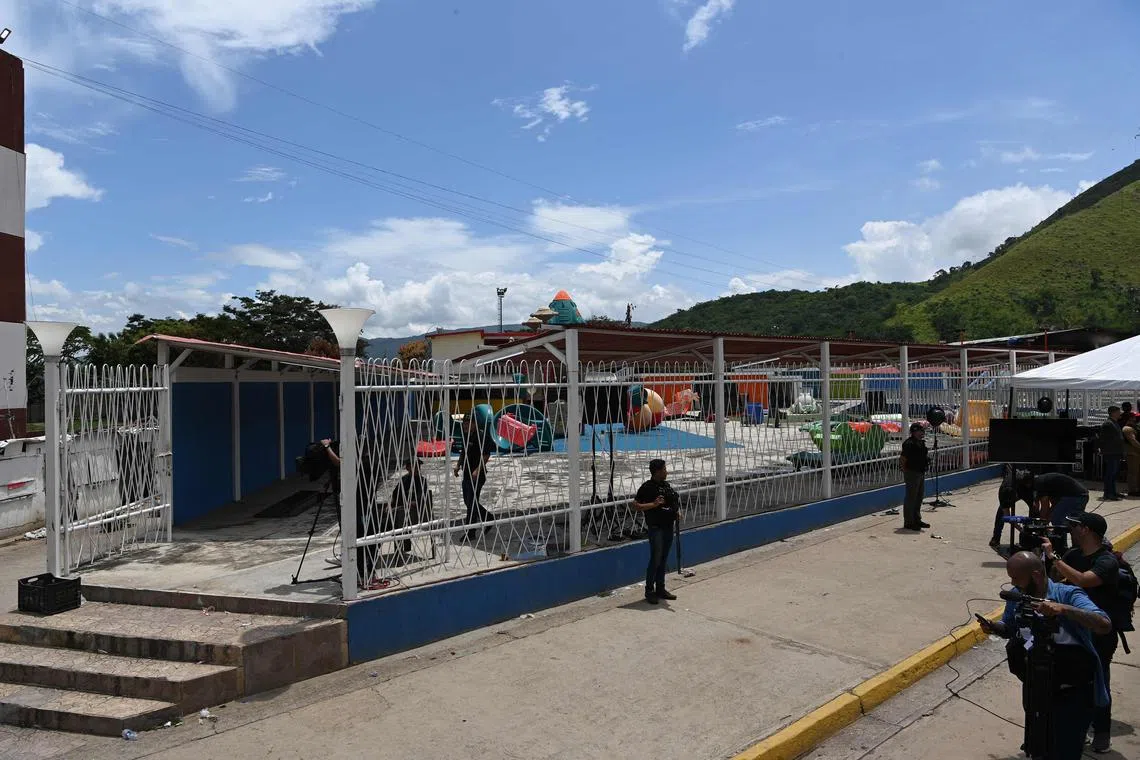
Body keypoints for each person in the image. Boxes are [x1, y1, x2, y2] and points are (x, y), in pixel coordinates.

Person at [979, 551, 1111, 759]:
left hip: (1071, 691)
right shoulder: (1019, 595)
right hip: (1036, 685)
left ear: (1036, 575)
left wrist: (1064, 610)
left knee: (1065, 750)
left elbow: (1104, 624)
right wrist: (995, 627)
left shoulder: (1068, 594)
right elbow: (1011, 627)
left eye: (1016, 578)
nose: (1013, 583)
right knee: (1038, 746)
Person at [1044, 513, 1120, 753]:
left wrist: (1053, 557)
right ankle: (1080, 726)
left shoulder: (1106, 561)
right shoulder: (1074, 555)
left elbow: (1084, 580)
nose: (1071, 530)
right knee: (1075, 682)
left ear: (1086, 530)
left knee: (1099, 680)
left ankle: (1102, 732)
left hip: (1100, 631)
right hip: (1074, 631)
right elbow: (1055, 580)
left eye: (1074, 526)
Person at [633, 459, 682, 604]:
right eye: (664, 469)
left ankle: (660, 588)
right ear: (658, 471)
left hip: (668, 526)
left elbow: (671, 502)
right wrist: (653, 504)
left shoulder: (666, 486)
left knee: (663, 559)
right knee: (655, 559)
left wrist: (676, 512)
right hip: (656, 528)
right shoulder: (647, 487)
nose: (667, 471)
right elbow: (635, 505)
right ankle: (649, 590)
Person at [1020, 471, 1088, 554]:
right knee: (1073, 523)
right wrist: (1046, 520)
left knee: (1059, 521)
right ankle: (1076, 549)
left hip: (1074, 496)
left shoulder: (1039, 484)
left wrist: (1041, 524)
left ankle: (1062, 548)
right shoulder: (1046, 483)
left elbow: (1045, 507)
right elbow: (1054, 506)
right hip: (1081, 495)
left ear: (1028, 484)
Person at [454, 413, 493, 539]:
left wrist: (477, 470)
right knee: (468, 501)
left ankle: (470, 532)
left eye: (468, 423)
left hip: (477, 475)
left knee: (471, 503)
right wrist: (458, 465)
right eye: (464, 423)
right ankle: (488, 518)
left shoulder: (482, 436)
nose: (465, 425)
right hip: (466, 472)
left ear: (475, 424)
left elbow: (486, 455)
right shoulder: (466, 435)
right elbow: (463, 452)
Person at [389, 457, 432, 557]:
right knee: (386, 516)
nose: (417, 469)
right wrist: (391, 504)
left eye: (418, 467)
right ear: (408, 468)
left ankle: (399, 550)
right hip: (402, 509)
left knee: (398, 517)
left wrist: (406, 504)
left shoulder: (422, 481)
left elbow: (419, 499)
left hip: (416, 512)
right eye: (414, 466)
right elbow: (395, 494)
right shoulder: (404, 479)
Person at [991, 464, 1036, 548]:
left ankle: (1034, 535)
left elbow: (1034, 505)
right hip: (1010, 489)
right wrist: (1020, 529)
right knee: (1001, 513)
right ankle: (996, 538)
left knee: (1034, 510)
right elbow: (1007, 516)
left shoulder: (1028, 483)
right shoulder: (1004, 492)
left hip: (1022, 486)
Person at [899, 422, 930, 531]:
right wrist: (905, 470)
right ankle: (909, 522)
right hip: (912, 472)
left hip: (920, 472)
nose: (922, 433)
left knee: (919, 497)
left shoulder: (921, 443)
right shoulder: (909, 443)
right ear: (914, 432)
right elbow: (903, 458)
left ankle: (917, 519)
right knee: (911, 497)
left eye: (922, 431)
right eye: (919, 431)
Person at [1099, 407, 1124, 501]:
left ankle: (1113, 491)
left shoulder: (1115, 422)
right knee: (1110, 473)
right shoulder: (1108, 424)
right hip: (1111, 452)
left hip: (1116, 451)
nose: (1120, 413)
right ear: (1113, 413)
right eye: (1118, 412)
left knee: (1114, 473)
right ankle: (1108, 493)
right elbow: (1103, 439)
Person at [1123, 422, 1140, 497]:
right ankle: (1132, 490)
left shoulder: (1135, 428)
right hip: (1133, 453)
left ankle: (1137, 489)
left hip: (1137, 453)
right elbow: (1133, 441)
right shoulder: (1128, 428)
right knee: (1133, 472)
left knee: (1137, 473)